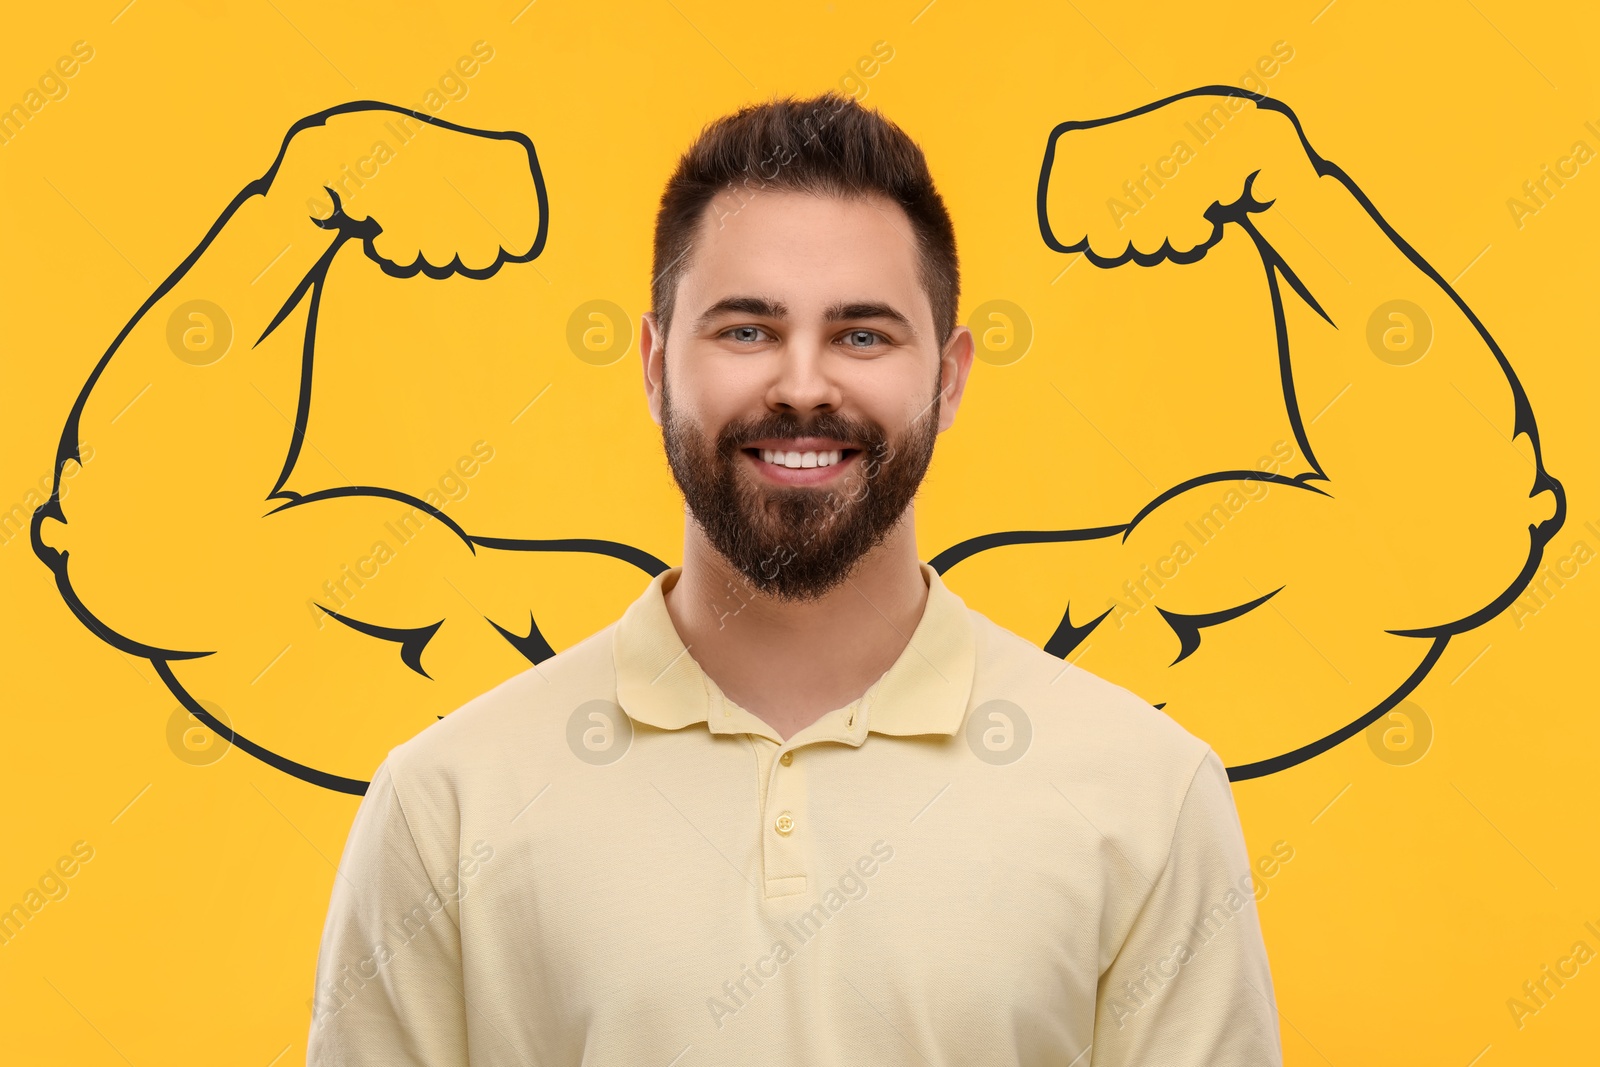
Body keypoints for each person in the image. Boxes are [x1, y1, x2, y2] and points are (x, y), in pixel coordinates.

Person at [307, 90, 1283, 1065]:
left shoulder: (1147, 795)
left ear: (947, 379)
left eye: (862, 334)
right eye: (746, 331)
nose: (804, 384)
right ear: (652, 366)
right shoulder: (448, 804)